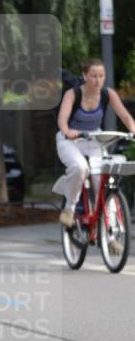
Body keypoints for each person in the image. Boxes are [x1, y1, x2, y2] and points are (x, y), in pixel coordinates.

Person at [55, 58, 135, 226]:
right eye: (93, 76)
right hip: (71, 140)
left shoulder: (108, 94)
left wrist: (133, 130)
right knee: (80, 168)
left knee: (103, 179)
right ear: (84, 76)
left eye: (101, 75)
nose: (98, 80)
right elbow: (62, 120)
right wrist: (68, 131)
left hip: (94, 139)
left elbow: (126, 117)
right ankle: (69, 208)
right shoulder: (73, 94)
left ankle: (110, 231)